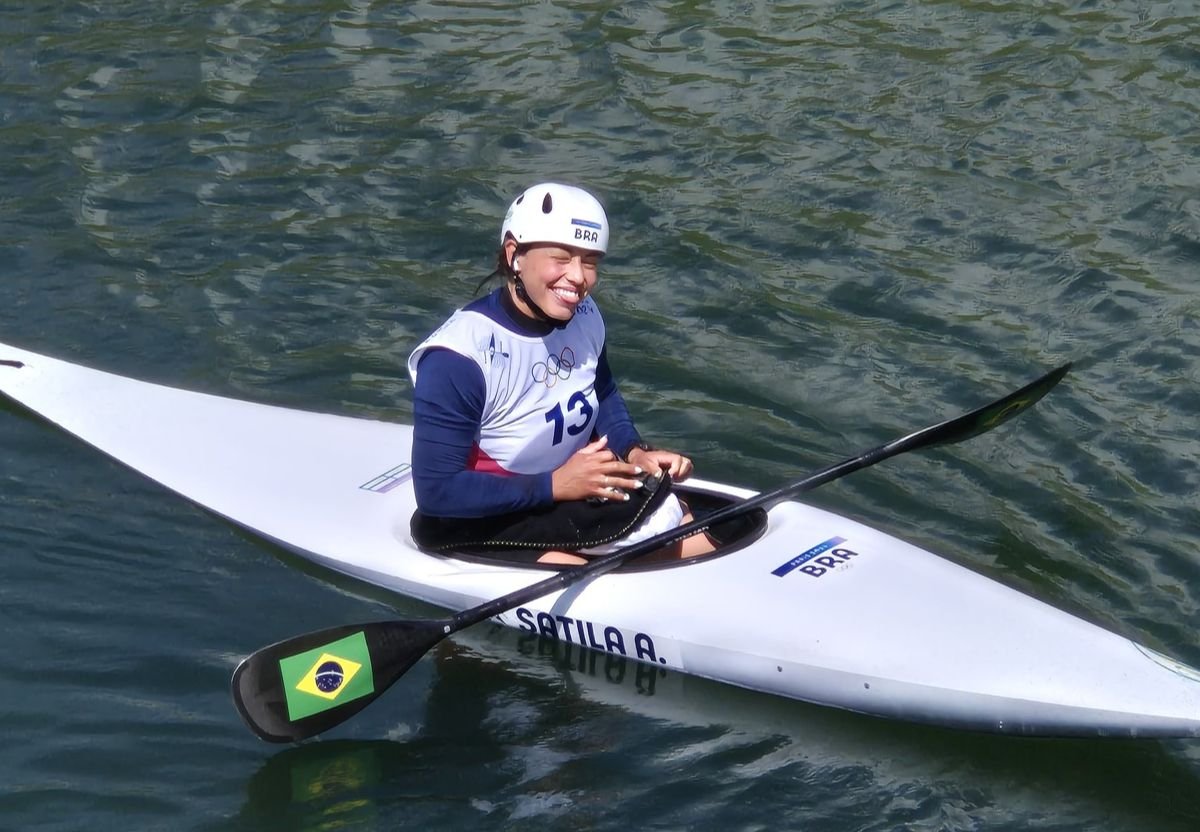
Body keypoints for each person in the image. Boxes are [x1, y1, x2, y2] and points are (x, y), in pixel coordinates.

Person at [407, 182, 715, 565]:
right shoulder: (457, 358)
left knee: (679, 517)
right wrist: (554, 485)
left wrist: (634, 451)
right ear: (514, 254)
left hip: (562, 489)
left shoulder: (584, 317)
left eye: (589, 261)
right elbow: (437, 492)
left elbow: (601, 393)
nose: (578, 278)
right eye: (562, 258)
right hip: (480, 515)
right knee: (572, 567)